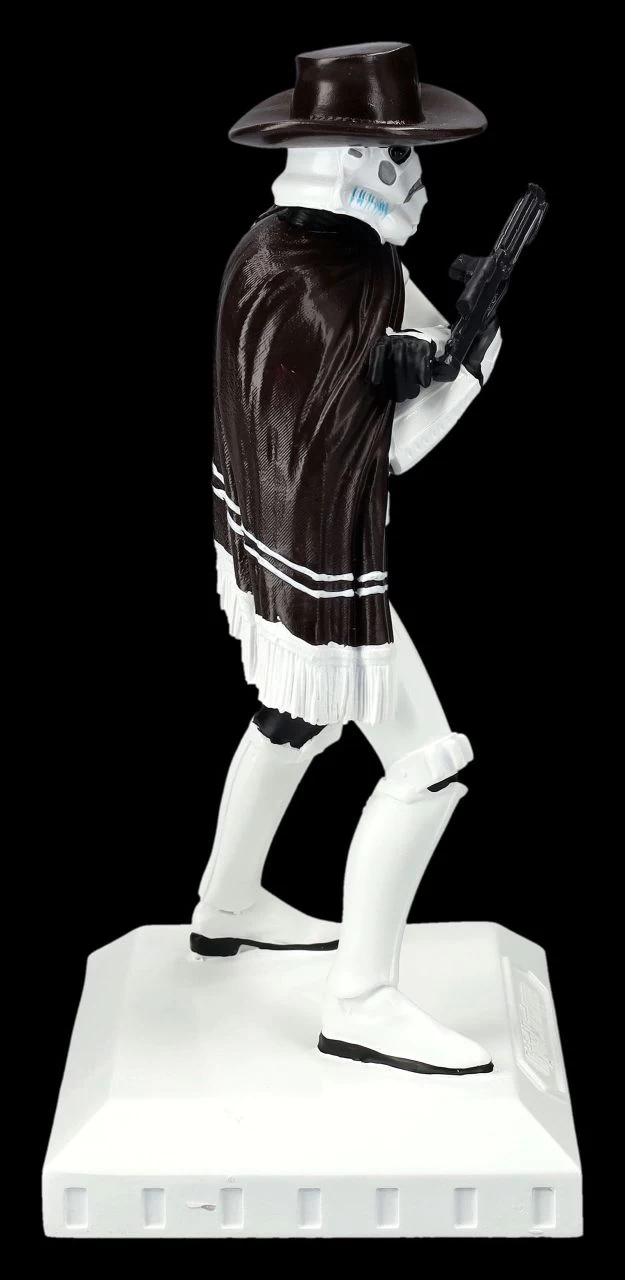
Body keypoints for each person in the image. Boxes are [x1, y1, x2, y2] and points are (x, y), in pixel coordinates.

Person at [192, 42, 501, 1075]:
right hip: (318, 556)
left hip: (267, 544)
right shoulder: (335, 287)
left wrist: (440, 345)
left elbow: (387, 355)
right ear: (361, 159)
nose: (416, 178)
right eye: (400, 155)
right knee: (427, 766)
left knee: (295, 715)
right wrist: (465, 376)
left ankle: (225, 902)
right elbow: (386, 452)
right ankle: (362, 1000)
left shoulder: (273, 249)